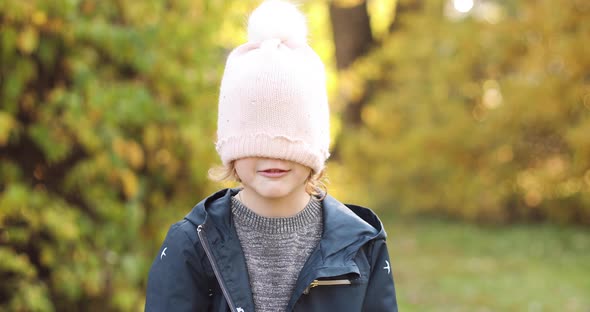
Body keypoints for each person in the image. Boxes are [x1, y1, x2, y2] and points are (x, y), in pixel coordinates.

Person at [145, 1, 398, 311]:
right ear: (232, 144)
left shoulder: (361, 245)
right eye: (255, 139)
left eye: (290, 139)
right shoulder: (192, 244)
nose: (273, 155)